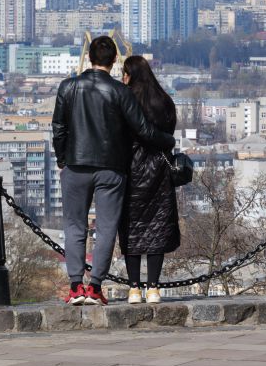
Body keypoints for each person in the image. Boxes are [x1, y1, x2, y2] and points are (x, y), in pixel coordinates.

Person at [52, 36, 175, 306]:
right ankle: (95, 287)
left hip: (75, 164)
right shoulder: (121, 92)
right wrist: (169, 141)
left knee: (74, 227)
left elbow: (59, 128)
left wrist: (63, 158)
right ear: (115, 60)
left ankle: (75, 286)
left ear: (89, 58)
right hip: (111, 168)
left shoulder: (68, 87)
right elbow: (142, 129)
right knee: (106, 228)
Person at [119, 55, 180, 305]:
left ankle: (134, 288)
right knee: (157, 229)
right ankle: (153, 288)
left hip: (130, 171)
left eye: (124, 73)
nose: (122, 78)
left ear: (131, 74)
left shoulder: (124, 98)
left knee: (131, 230)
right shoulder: (163, 100)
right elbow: (169, 131)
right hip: (159, 172)